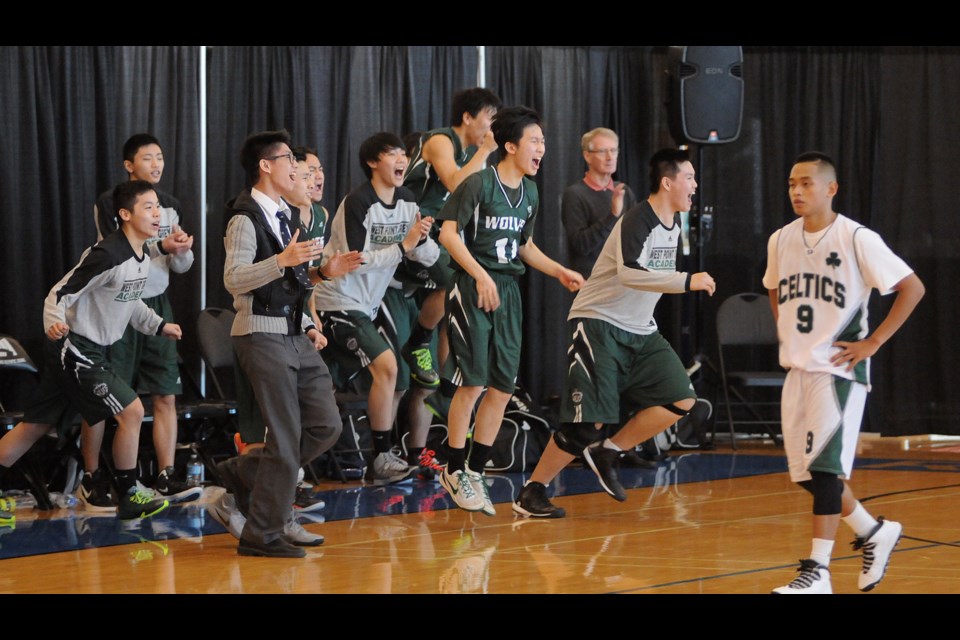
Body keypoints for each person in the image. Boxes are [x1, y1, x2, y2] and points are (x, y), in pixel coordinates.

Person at [511, 148, 716, 519]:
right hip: (599, 322)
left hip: (641, 331)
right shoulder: (640, 217)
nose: (695, 185)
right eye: (689, 177)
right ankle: (532, 492)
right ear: (668, 182)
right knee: (587, 424)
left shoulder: (672, 226)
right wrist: (688, 281)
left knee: (680, 399)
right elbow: (631, 273)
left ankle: (611, 450)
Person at [764, 151, 924, 594]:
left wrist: (872, 343)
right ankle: (874, 532)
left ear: (831, 189)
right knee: (805, 475)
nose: (797, 191)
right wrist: (790, 334)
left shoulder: (857, 238)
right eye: (792, 183)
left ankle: (818, 571)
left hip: (838, 373)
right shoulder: (780, 239)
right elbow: (774, 288)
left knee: (826, 472)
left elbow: (913, 287)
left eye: (807, 184)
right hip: (798, 369)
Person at [212, 129, 362, 557]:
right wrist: (281, 260)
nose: (295, 168)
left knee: (325, 425)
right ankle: (263, 534)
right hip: (260, 333)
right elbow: (233, 279)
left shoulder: (287, 216)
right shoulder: (245, 217)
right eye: (289, 160)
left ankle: (242, 472)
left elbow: (290, 281)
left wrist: (322, 273)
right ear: (266, 165)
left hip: (295, 333)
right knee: (284, 435)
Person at [0, 180, 180, 521]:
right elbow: (59, 292)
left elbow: (130, 301)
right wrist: (53, 324)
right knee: (131, 412)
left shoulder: (142, 254)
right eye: (148, 207)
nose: (157, 213)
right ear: (125, 214)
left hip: (93, 348)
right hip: (75, 347)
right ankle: (130, 493)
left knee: (35, 425)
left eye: (158, 206)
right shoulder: (107, 253)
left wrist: (159, 324)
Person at [436, 105, 585, 516]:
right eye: (534, 142)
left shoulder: (532, 192)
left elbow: (524, 245)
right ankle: (452, 468)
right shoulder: (478, 185)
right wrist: (480, 275)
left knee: (502, 388)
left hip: (507, 292)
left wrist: (559, 271)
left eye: (543, 142)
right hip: (473, 287)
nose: (542, 149)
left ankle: (476, 470)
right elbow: (447, 234)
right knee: (472, 384)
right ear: (509, 146)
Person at [75, 134, 197, 511]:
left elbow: (180, 265)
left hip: (157, 303)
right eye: (148, 158)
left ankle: (165, 473)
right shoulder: (113, 202)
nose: (157, 164)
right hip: (119, 304)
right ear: (130, 165)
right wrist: (162, 246)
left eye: (160, 157)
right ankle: (93, 476)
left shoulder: (170, 206)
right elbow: (116, 252)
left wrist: (182, 251)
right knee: (104, 398)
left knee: (165, 392)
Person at [314, 132, 438, 486]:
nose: (401, 160)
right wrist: (404, 245)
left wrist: (423, 241)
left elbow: (422, 255)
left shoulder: (408, 200)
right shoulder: (358, 202)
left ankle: (384, 457)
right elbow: (355, 261)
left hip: (368, 305)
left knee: (397, 372)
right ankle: (379, 459)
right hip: (337, 301)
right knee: (386, 367)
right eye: (391, 154)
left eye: (404, 154)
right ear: (372, 162)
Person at [398, 88, 503, 387]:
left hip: (435, 231)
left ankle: (450, 381)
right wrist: (485, 152)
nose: (492, 128)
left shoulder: (470, 153)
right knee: (457, 277)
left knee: (460, 294)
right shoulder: (441, 140)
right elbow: (456, 184)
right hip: (410, 226)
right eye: (489, 119)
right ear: (467, 117)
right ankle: (418, 342)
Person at [561, 127, 637, 278]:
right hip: (592, 283)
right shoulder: (575, 194)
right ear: (587, 156)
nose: (610, 157)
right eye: (602, 151)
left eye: (614, 150)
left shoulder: (624, 190)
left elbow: (636, 235)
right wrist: (613, 215)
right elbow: (581, 246)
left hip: (623, 279)